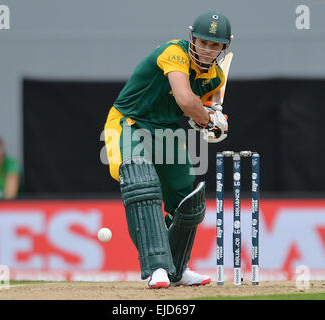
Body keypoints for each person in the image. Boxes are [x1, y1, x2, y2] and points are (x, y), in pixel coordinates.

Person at [104, 11, 232, 288]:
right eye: (203, 42)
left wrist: (214, 125)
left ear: (224, 46)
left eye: (215, 44)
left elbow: (202, 113)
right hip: (129, 122)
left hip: (166, 130)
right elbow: (187, 101)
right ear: (192, 39)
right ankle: (156, 268)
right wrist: (209, 120)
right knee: (142, 185)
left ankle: (177, 269)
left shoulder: (216, 77)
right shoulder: (174, 53)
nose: (208, 49)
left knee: (185, 197)